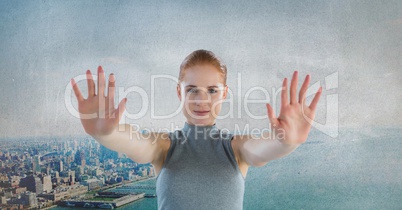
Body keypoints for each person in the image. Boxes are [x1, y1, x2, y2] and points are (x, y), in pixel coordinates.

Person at [71, 49, 322, 210]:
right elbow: (136, 145)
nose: (202, 100)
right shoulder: (165, 145)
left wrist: (287, 141)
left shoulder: (236, 147)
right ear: (180, 92)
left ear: (225, 94)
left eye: (212, 90)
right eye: (192, 89)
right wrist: (105, 133)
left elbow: (263, 149)